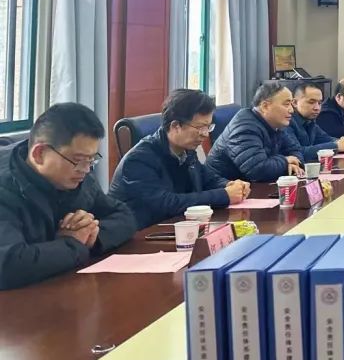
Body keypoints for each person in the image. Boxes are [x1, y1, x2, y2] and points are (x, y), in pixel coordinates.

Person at [0, 103, 136, 290]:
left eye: (91, 159)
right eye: (78, 160)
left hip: (60, 287)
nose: (85, 169)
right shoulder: (5, 188)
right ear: (39, 154)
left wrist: (92, 234)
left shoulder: (78, 178)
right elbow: (8, 265)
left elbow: (124, 216)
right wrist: (72, 244)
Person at [110, 90, 251, 229]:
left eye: (208, 127)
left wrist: (229, 185)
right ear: (175, 126)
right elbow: (165, 204)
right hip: (140, 235)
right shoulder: (139, 160)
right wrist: (224, 195)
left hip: (177, 227)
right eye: (200, 127)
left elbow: (206, 178)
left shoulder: (186, 149)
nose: (205, 134)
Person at [205, 81, 304, 182]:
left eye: (291, 104)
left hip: (252, 185)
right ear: (265, 106)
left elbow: (295, 151)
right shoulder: (244, 128)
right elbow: (257, 171)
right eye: (286, 104)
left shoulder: (277, 124)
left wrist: (292, 164)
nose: (291, 110)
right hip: (223, 186)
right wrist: (285, 161)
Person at [286, 82, 344, 161]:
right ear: (295, 103)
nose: (317, 108)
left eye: (319, 103)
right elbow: (299, 153)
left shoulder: (310, 121)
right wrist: (336, 145)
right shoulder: (287, 122)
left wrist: (342, 141)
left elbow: (325, 138)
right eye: (311, 102)